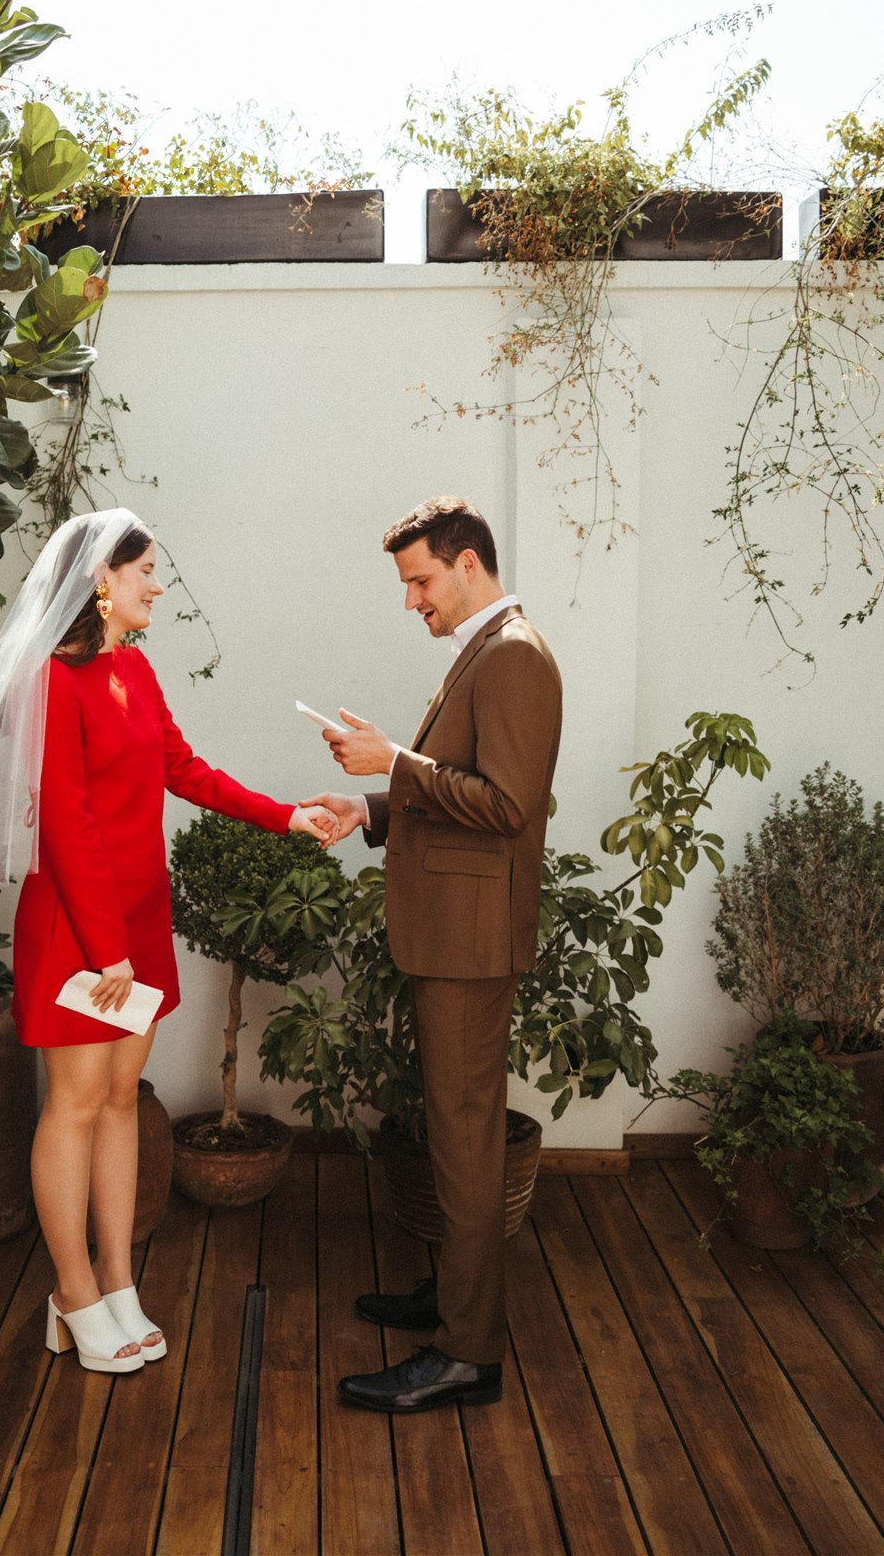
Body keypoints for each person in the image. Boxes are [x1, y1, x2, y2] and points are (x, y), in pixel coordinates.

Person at [0, 506, 335, 1377]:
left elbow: (183, 770)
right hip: (78, 928)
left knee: (117, 1100)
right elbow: (66, 826)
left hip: (139, 922)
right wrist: (105, 950)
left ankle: (116, 1280)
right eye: (145, 570)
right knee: (72, 1104)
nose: (156, 585)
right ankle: (69, 1292)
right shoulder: (49, 682)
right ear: (100, 581)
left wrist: (286, 817)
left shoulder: (135, 673)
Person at [304, 496, 561, 1414]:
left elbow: (508, 806)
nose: (411, 600)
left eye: (418, 580)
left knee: (461, 1136)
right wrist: (367, 808)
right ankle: (454, 1301)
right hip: (449, 935)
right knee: (452, 1130)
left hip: (469, 943)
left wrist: (394, 767)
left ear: (466, 564)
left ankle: (467, 1352)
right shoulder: (486, 652)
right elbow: (466, 792)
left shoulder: (515, 656)